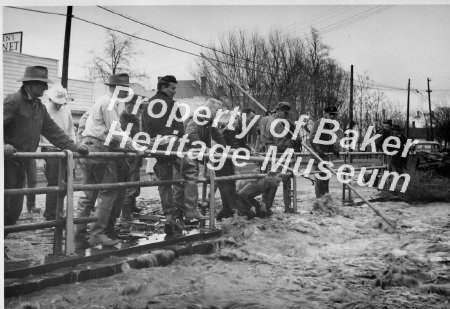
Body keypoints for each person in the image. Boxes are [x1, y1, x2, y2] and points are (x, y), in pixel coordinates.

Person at [3, 66, 88, 232]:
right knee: (4, 206)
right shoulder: (13, 101)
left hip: (23, 161)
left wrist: (75, 146)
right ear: (31, 84)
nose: (46, 88)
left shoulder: (39, 108)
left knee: (14, 209)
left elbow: (54, 132)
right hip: (7, 162)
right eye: (43, 84)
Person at [74, 73, 144, 248]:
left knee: (88, 195)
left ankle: (78, 235)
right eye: (123, 88)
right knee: (109, 192)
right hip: (99, 149)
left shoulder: (102, 101)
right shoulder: (109, 103)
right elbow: (116, 131)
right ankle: (97, 233)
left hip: (88, 146)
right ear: (115, 88)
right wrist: (135, 146)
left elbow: (90, 124)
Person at [142, 75, 205, 237]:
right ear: (163, 87)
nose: (174, 91)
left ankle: (170, 217)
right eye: (172, 88)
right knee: (190, 170)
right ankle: (191, 209)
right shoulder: (171, 104)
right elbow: (179, 128)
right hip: (172, 144)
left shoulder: (148, 104)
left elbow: (144, 128)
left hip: (156, 145)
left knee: (165, 182)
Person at [41, 84, 76, 221]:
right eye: (56, 102)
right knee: (54, 182)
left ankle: (59, 211)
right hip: (49, 149)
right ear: (50, 99)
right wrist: (41, 157)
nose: (58, 105)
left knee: (66, 182)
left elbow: (70, 129)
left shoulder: (66, 109)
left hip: (65, 149)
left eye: (60, 102)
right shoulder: (45, 110)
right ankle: (50, 214)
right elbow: (39, 133)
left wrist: (73, 147)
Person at [258, 101, 294, 213]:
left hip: (266, 151)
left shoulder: (265, 119)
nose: (287, 116)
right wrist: (294, 142)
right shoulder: (277, 124)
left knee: (269, 180)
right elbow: (281, 143)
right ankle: (285, 207)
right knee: (276, 181)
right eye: (285, 113)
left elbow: (259, 134)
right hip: (277, 153)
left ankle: (265, 206)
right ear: (278, 111)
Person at [309, 106, 340, 198]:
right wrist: (318, 150)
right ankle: (319, 200)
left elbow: (329, 140)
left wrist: (333, 149)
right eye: (331, 115)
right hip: (318, 155)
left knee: (326, 178)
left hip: (325, 156)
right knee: (320, 178)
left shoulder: (329, 125)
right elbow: (312, 138)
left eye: (335, 115)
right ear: (325, 114)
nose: (333, 117)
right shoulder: (319, 123)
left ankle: (326, 198)